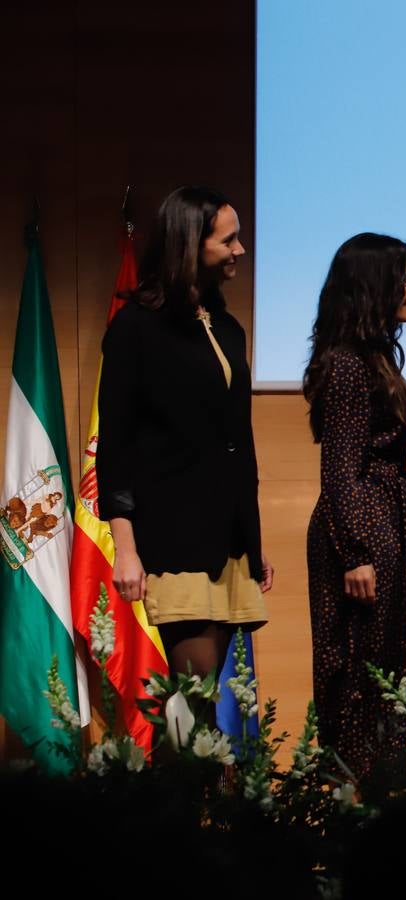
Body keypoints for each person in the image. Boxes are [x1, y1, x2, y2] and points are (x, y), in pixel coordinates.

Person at [99, 186, 274, 705]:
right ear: (190, 245)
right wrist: (125, 550)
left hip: (230, 542)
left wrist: (254, 536)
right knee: (192, 704)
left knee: (207, 704)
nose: (241, 250)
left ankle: (202, 788)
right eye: (229, 240)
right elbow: (116, 446)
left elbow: (236, 442)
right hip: (174, 539)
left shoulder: (227, 327)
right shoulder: (136, 326)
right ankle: (176, 788)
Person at [303, 232, 406, 786]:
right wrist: (355, 551)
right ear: (374, 285)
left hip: (384, 521)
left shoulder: (371, 356)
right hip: (362, 530)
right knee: (357, 672)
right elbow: (340, 471)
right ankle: (354, 802)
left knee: (387, 671)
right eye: (405, 277)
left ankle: (382, 791)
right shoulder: (348, 364)